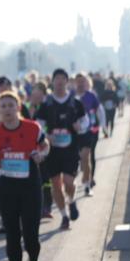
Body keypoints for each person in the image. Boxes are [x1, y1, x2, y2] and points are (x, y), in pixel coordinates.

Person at [0, 91, 50, 261]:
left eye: (11, 105)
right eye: (3, 106)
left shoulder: (32, 128)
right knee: (12, 235)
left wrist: (42, 154)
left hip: (30, 186)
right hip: (6, 188)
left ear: (18, 107)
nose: (7, 110)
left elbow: (45, 145)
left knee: (31, 234)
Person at [36, 69, 88, 230]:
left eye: (62, 79)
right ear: (52, 82)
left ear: (67, 81)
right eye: (56, 78)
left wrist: (80, 127)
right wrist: (45, 135)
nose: (59, 82)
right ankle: (64, 216)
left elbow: (85, 121)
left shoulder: (75, 102)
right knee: (55, 184)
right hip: (52, 151)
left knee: (68, 182)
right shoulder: (46, 104)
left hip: (70, 149)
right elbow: (37, 124)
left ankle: (71, 201)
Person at [73, 72, 104, 195]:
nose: (80, 84)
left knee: (86, 157)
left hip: (89, 131)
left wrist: (101, 126)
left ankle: (87, 185)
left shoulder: (91, 96)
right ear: (75, 82)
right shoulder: (70, 96)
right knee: (77, 159)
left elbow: (100, 111)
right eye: (78, 81)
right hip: (74, 133)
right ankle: (77, 179)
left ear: (86, 83)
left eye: (82, 81)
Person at [27, 81, 54, 219]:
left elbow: (50, 124)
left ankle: (47, 205)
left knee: (45, 176)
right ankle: (39, 205)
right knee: (37, 177)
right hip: (31, 147)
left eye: (37, 93)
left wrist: (48, 135)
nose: (34, 96)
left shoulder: (47, 107)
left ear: (43, 94)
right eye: (33, 93)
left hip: (45, 145)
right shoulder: (28, 108)